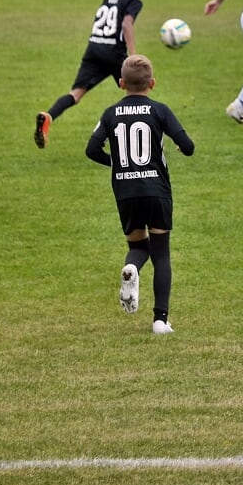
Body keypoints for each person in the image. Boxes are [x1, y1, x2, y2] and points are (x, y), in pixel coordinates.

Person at [86, 54, 195, 335]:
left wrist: (118, 162)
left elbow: (92, 150)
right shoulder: (160, 110)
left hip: (126, 192)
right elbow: (188, 146)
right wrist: (180, 146)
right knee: (161, 254)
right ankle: (160, 320)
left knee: (138, 247)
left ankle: (132, 268)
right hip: (157, 191)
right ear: (152, 83)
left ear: (121, 83)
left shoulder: (110, 113)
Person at [35, 0, 142, 148]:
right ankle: (142, 137)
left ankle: (48, 116)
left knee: (76, 94)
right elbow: (126, 24)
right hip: (114, 52)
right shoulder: (133, 1)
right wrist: (133, 55)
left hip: (94, 48)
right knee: (137, 91)